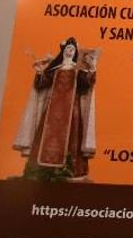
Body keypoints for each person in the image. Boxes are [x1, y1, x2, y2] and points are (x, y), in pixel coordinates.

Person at [12, 37, 98, 181]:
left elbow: (86, 84)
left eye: (72, 49)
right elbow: (42, 83)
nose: (70, 51)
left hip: (71, 111)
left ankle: (69, 171)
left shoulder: (78, 70)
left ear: (76, 52)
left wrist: (92, 68)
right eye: (68, 49)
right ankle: (42, 170)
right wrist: (40, 73)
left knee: (72, 137)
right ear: (63, 51)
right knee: (45, 135)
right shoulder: (55, 68)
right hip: (52, 109)